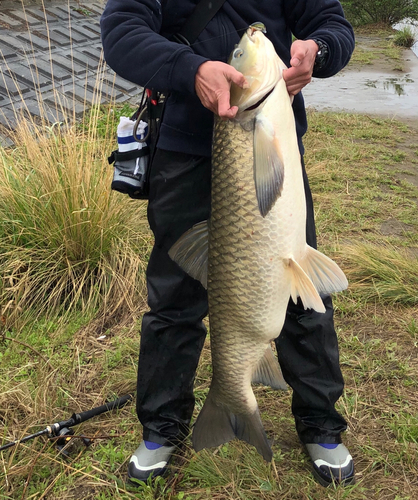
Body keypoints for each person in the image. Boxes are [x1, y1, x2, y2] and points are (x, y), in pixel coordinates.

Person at [100, 0, 355, 487]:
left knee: (301, 292)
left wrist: (317, 52)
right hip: (181, 148)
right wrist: (190, 68)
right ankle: (162, 428)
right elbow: (121, 31)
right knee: (174, 298)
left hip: (271, 153)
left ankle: (320, 424)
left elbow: (332, 25)